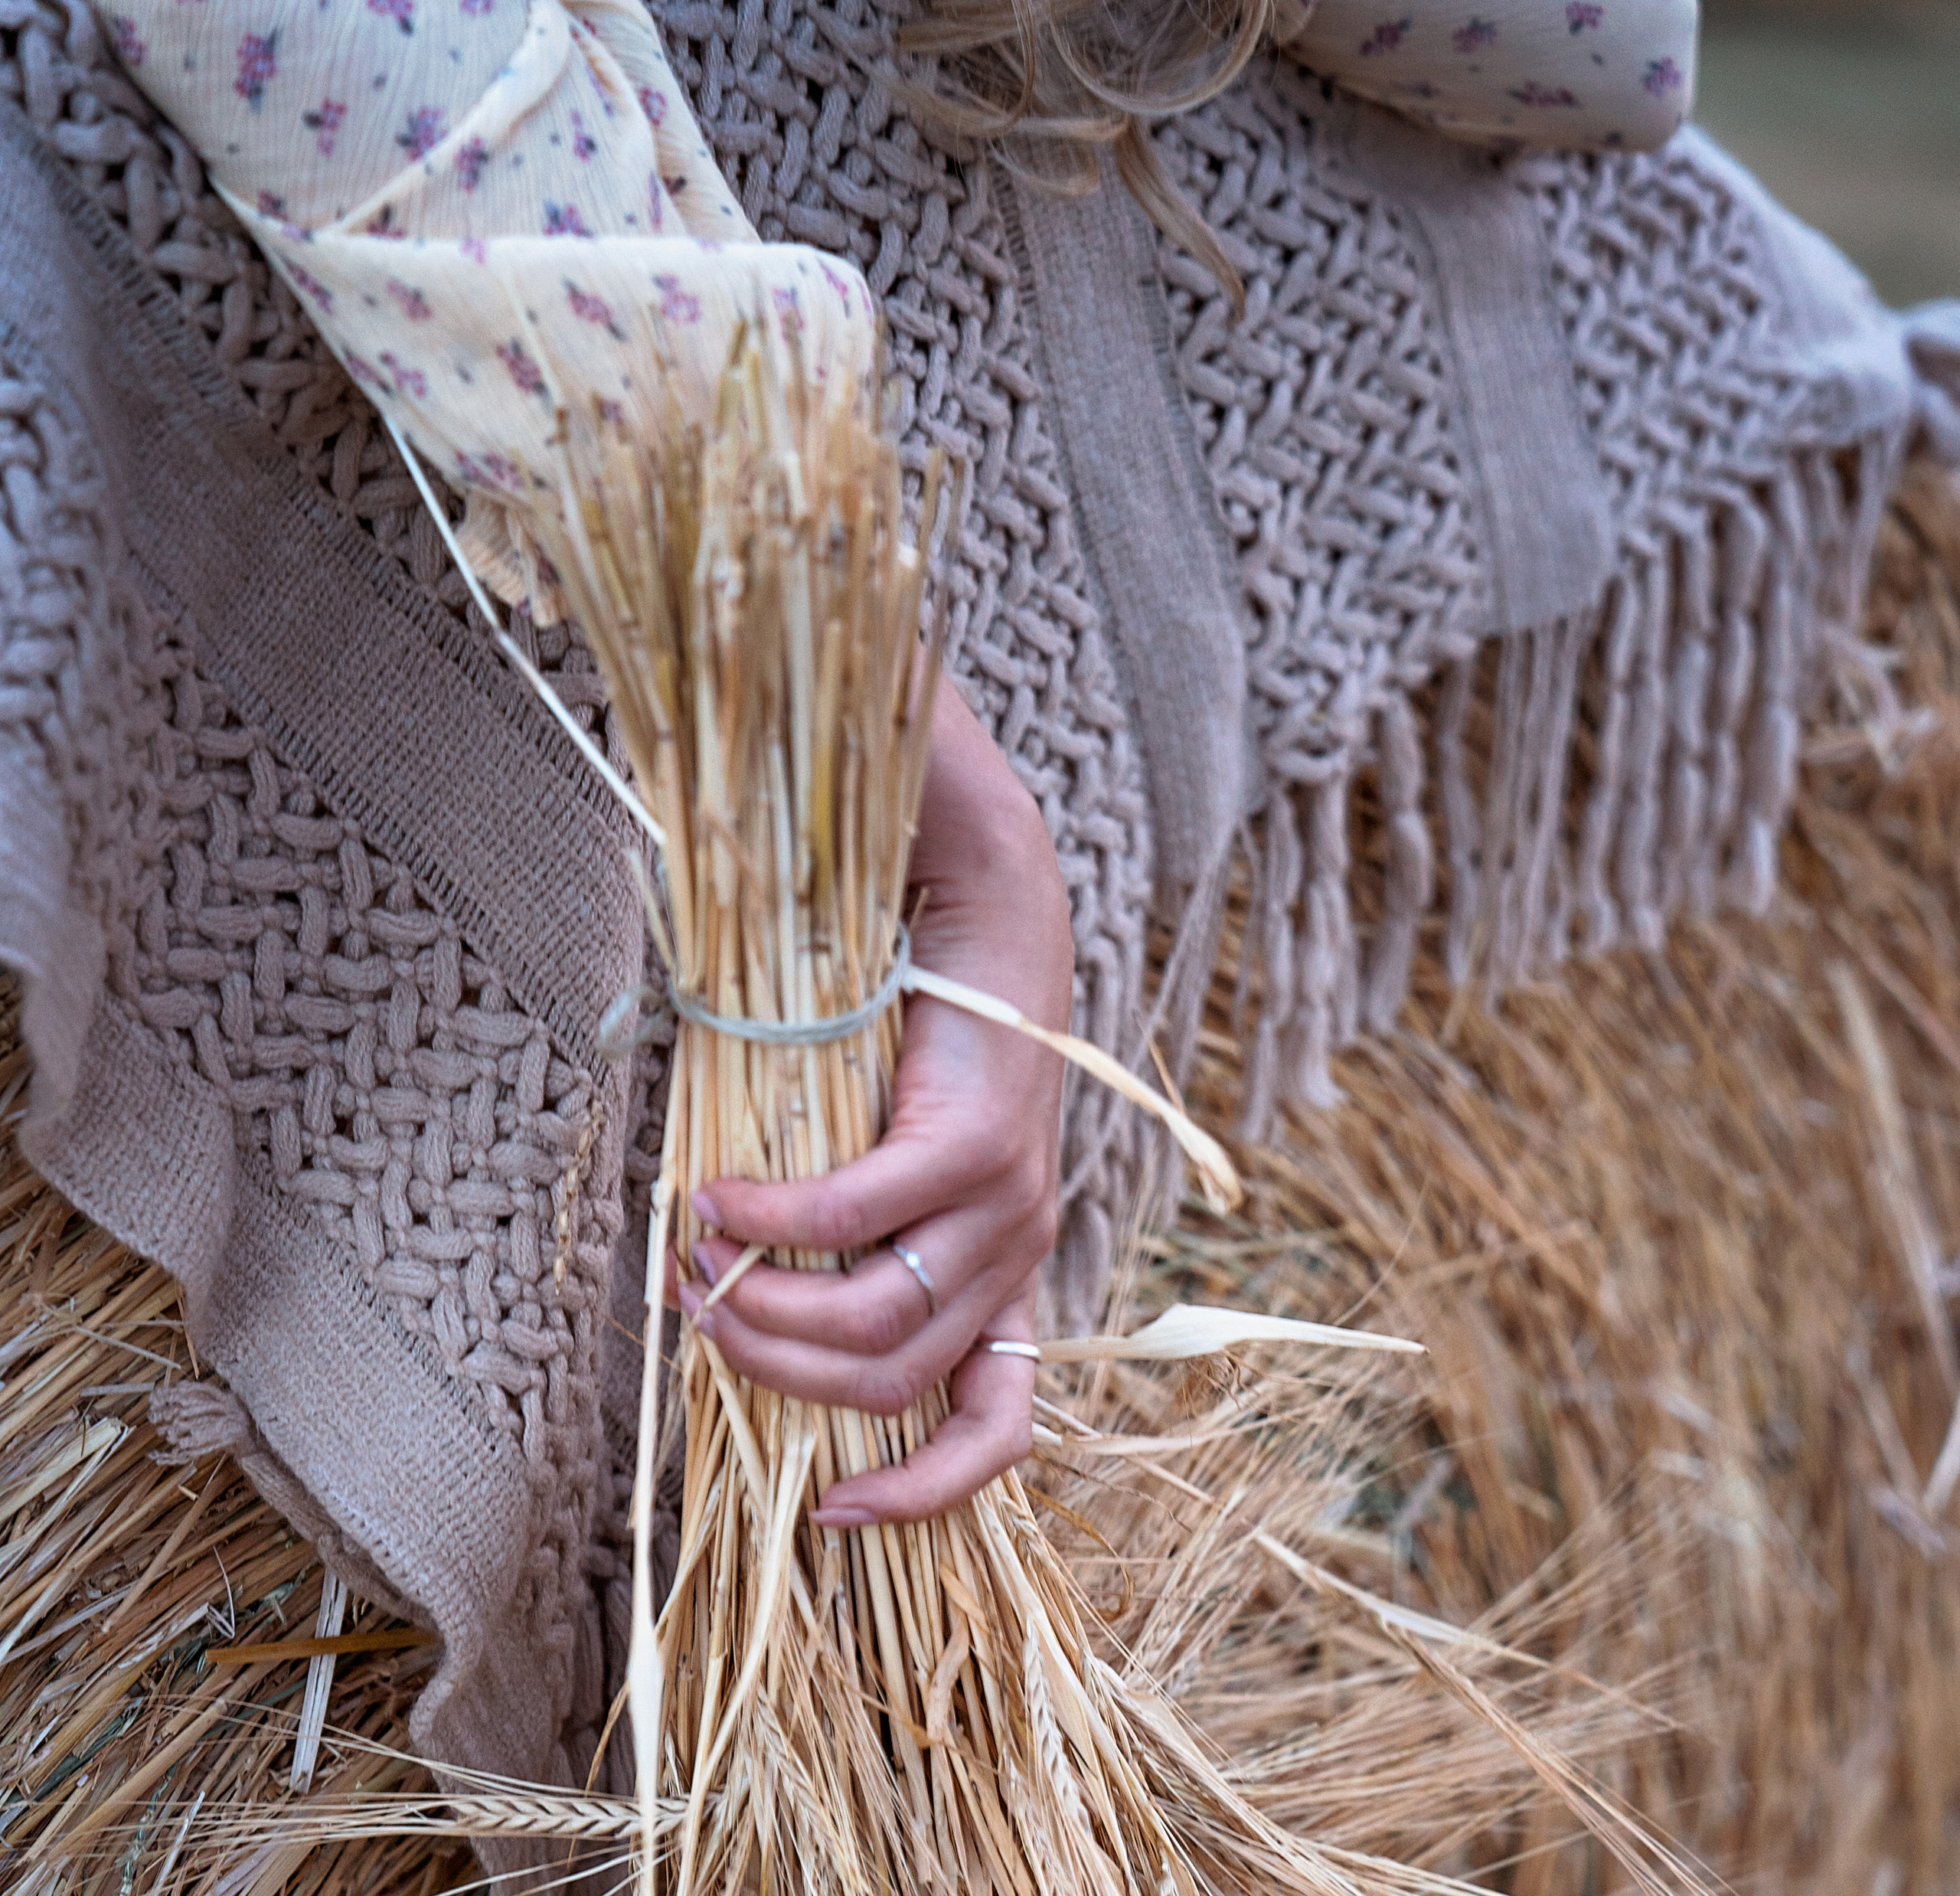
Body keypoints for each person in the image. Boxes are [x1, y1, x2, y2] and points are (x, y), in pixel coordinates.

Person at [94, 0, 1700, 1523]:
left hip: (820, 494)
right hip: (476, 341)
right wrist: (964, 827)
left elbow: (1613, 63)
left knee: (1678, 262)